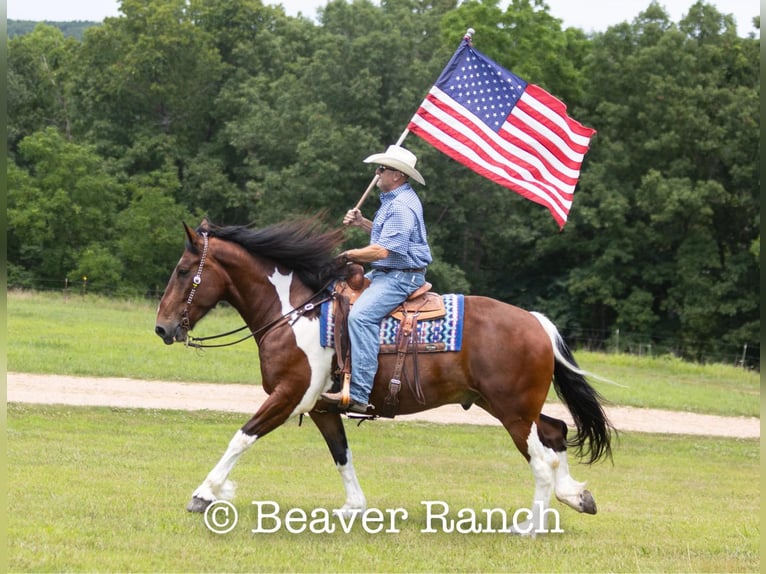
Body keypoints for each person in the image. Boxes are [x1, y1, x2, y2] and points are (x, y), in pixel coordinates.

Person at [321, 145, 432, 414]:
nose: (377, 172)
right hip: (387, 272)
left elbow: (384, 250)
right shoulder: (395, 200)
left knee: (361, 317)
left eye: (382, 169)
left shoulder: (401, 206)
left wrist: (348, 254)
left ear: (397, 175)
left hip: (399, 278)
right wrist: (363, 224)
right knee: (334, 294)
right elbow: (390, 236)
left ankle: (358, 395)